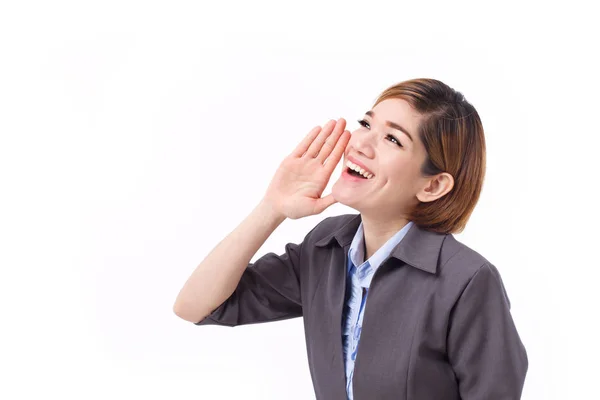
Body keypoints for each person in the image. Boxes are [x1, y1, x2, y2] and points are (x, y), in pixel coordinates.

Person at [173, 78, 529, 399]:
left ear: (433, 185)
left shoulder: (466, 280)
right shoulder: (325, 247)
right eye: (366, 124)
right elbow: (196, 306)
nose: (361, 144)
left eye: (392, 139)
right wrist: (272, 207)